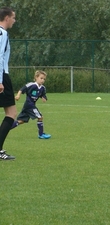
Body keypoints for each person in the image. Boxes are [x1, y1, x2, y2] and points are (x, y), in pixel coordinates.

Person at [11, 70, 51, 139]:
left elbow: (43, 95)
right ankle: (41, 135)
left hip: (29, 106)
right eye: (41, 78)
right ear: (36, 77)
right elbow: (22, 89)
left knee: (21, 121)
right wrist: (18, 95)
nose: (42, 80)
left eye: (44, 79)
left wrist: (44, 98)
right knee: (40, 117)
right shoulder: (31, 85)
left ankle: (4, 129)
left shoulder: (42, 88)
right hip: (29, 105)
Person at [0, 7, 17, 160]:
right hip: (2, 76)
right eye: (13, 18)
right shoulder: (2, 33)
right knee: (11, 114)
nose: (14, 21)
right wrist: (0, 80)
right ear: (6, 18)